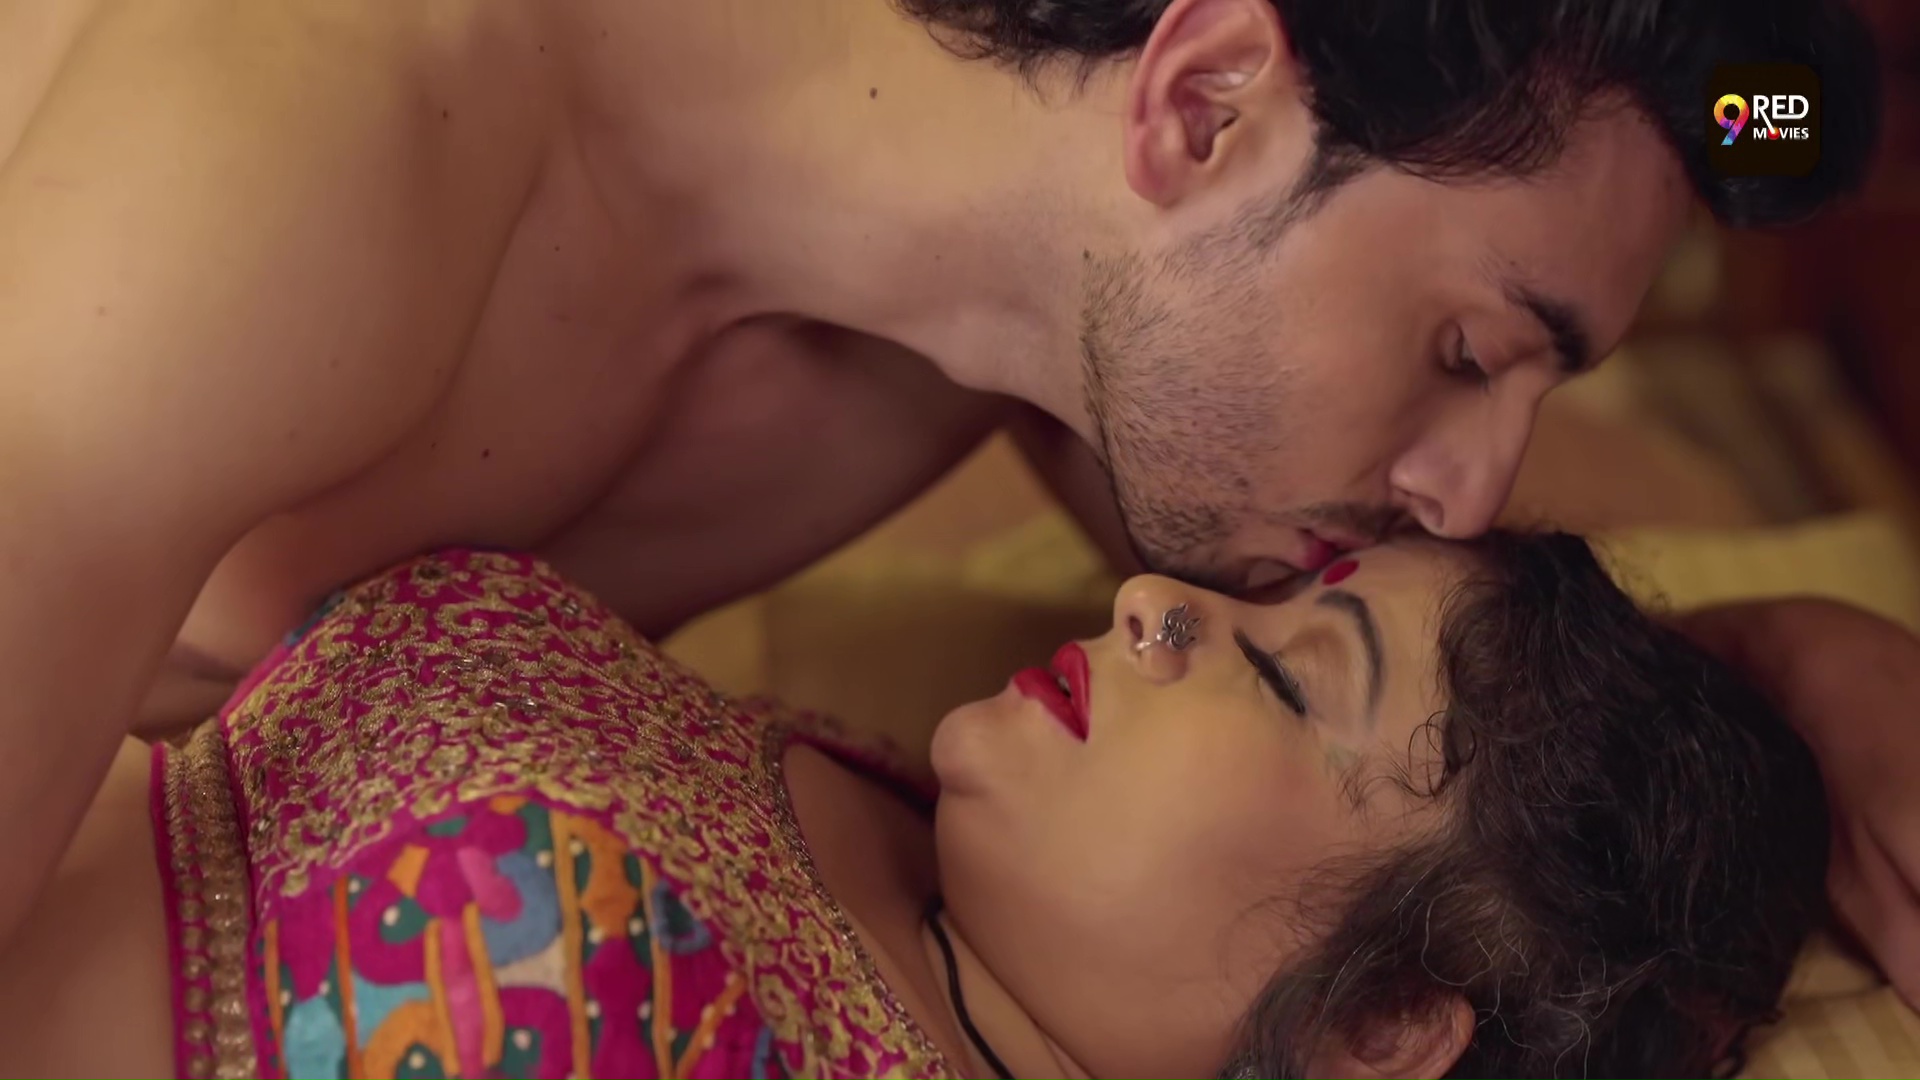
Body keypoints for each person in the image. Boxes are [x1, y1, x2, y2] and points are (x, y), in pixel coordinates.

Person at [1, 0, 1908, 999]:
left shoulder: (1061, 330)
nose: (1473, 493)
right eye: (1470, 349)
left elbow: (1392, 718)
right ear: (1209, 98)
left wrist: (1792, 665)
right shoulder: (304, 154)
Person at [0, 538, 1829, 1079]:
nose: (1153, 601)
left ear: (1381, 1026)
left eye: (1284, 677)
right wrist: (1817, 649)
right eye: (1265, 597)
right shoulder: (925, 824)